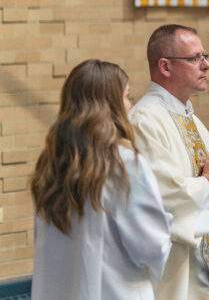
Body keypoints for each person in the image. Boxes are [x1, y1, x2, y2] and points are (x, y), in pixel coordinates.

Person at [31, 59, 172, 300]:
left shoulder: (52, 165)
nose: (130, 105)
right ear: (111, 105)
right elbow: (152, 249)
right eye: (127, 97)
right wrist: (167, 220)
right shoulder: (126, 165)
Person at [130, 24, 209, 300]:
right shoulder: (144, 120)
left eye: (205, 56)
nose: (206, 65)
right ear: (165, 66)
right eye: (195, 58)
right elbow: (160, 196)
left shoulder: (191, 118)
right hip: (175, 269)